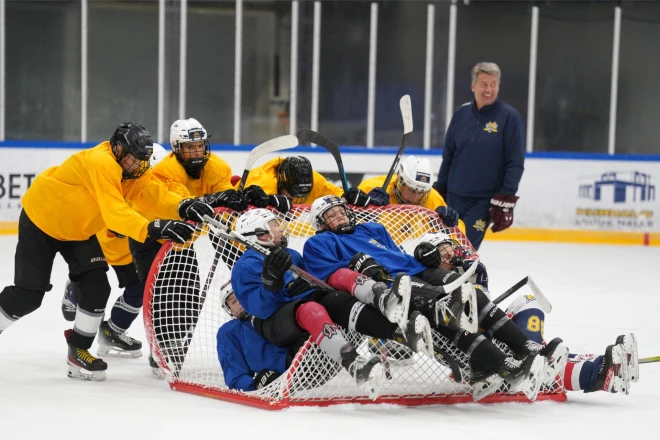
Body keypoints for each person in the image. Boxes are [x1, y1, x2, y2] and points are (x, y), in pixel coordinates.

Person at [0, 122, 212, 381]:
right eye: (134, 160)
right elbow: (114, 213)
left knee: (98, 287)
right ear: (120, 149)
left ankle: (78, 350)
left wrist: (183, 206)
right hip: (42, 221)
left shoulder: (133, 166)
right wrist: (152, 227)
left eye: (142, 161)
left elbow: (152, 193)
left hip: (79, 231)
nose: (139, 167)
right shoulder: (102, 162)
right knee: (28, 296)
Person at [302, 195, 562, 400]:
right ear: (321, 223)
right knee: (449, 323)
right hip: (392, 285)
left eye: (340, 211)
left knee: (471, 296)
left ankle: (525, 347)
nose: (339, 216)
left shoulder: (373, 228)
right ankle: (505, 366)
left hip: (418, 272)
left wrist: (425, 257)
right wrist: (361, 269)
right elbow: (329, 278)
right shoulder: (319, 243)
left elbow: (398, 256)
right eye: (331, 215)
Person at [229, 208, 434, 399]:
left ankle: (387, 307)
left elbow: (313, 279)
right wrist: (271, 285)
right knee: (312, 309)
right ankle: (354, 365)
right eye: (273, 224)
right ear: (260, 234)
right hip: (273, 321)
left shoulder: (292, 255)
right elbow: (257, 308)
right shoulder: (245, 266)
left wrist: (311, 283)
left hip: (301, 304)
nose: (280, 227)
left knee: (339, 295)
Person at [413, 230, 640, 394]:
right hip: (479, 358)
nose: (452, 255)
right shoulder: (431, 286)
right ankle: (594, 374)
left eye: (450, 249)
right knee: (535, 323)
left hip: (493, 344)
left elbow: (483, 307)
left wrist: (477, 278)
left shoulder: (456, 275)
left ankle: (600, 366)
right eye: (445, 252)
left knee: (527, 303)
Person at [128, 118, 254, 374]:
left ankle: (171, 345)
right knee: (162, 294)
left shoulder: (217, 166)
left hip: (181, 239)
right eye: (189, 147)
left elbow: (219, 209)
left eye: (199, 146)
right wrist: (218, 198)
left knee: (188, 293)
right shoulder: (165, 171)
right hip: (151, 234)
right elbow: (182, 207)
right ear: (176, 148)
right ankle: (160, 347)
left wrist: (235, 203)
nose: (196, 152)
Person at [60, 143, 170, 359]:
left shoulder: (152, 181)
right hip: (102, 239)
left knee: (140, 287)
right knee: (94, 280)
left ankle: (112, 331)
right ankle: (76, 287)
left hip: (131, 246)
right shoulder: (116, 175)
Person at [433, 62, 525, 250]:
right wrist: (439, 189)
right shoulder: (460, 115)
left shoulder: (510, 118)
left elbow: (515, 163)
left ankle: (463, 279)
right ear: (473, 86)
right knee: (441, 249)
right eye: (484, 84)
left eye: (493, 84)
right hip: (453, 197)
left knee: (463, 251)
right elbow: (448, 156)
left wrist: (505, 198)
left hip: (482, 202)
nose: (489, 89)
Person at [358, 155, 461, 229]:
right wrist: (365, 208)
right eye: (411, 190)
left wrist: (451, 223)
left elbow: (459, 233)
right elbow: (344, 209)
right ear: (400, 182)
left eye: (420, 192)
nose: (415, 198)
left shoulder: (432, 197)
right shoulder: (372, 187)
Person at [237, 155, 376, 208]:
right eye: (291, 194)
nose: (295, 199)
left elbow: (335, 194)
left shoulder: (314, 181)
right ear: (281, 181)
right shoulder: (262, 182)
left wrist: (348, 196)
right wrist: (266, 201)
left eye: (300, 196)